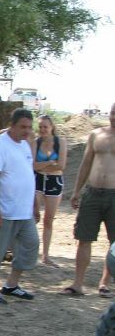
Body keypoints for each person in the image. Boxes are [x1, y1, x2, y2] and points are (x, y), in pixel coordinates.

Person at [0, 108, 39, 303]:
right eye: (23, 127)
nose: (27, 131)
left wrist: (35, 205)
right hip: (4, 211)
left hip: (24, 210)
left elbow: (30, 176)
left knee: (30, 245)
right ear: (11, 126)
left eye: (29, 127)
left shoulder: (25, 145)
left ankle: (11, 285)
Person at [62, 102, 115, 297]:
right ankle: (78, 284)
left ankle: (105, 283)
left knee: (114, 243)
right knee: (83, 238)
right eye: (112, 113)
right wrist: (76, 191)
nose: (114, 117)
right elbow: (85, 164)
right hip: (92, 193)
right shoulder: (96, 135)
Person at [31, 115, 67, 267]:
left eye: (45, 126)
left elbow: (61, 166)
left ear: (52, 127)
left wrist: (43, 165)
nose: (43, 130)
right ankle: (30, 253)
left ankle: (46, 255)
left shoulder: (61, 142)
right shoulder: (35, 143)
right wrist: (50, 162)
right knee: (33, 216)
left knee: (48, 220)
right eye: (40, 127)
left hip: (54, 181)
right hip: (38, 180)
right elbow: (33, 165)